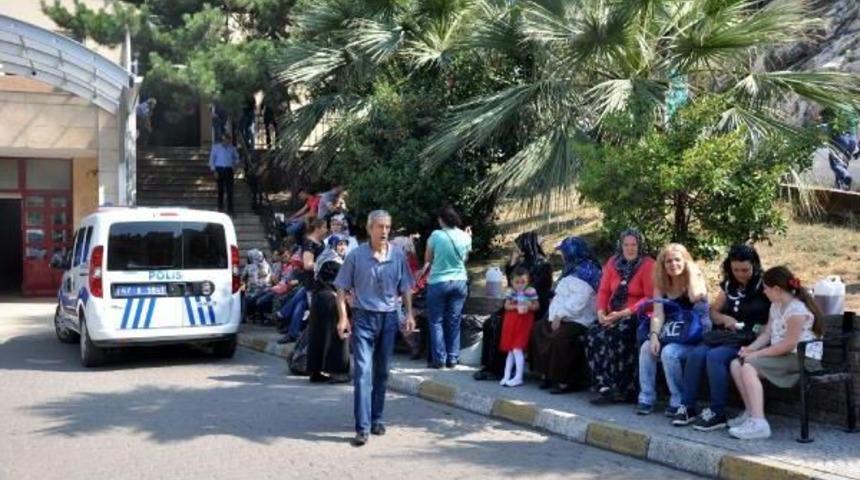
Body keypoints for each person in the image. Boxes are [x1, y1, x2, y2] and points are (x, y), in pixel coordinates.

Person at [334, 210, 415, 447]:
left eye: (388, 227)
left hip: (389, 318)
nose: (384, 231)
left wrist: (409, 314)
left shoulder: (398, 255)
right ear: (369, 229)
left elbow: (406, 287)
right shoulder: (356, 256)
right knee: (363, 372)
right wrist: (343, 318)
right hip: (363, 318)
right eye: (380, 227)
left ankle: (377, 418)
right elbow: (341, 288)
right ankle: (363, 427)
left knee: (382, 372)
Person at [679, 245, 771, 430]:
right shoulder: (730, 285)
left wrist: (758, 335)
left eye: (745, 270)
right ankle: (687, 406)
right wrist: (724, 318)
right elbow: (713, 311)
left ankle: (717, 411)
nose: (740, 274)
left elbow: (774, 318)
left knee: (715, 357)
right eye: (735, 269)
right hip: (727, 335)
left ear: (754, 265)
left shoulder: (765, 286)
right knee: (697, 354)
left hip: (750, 339)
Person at [727, 266, 824, 440]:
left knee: (749, 367)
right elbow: (767, 334)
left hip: (802, 358)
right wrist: (751, 349)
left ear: (777, 289)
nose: (763, 291)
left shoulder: (797, 310)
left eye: (765, 288)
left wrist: (757, 355)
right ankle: (751, 413)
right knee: (736, 364)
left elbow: (788, 344)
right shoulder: (776, 305)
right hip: (785, 355)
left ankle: (759, 424)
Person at [638, 243, 709, 417]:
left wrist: (691, 271)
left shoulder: (695, 278)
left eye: (677, 260)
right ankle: (646, 397)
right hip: (673, 332)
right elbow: (657, 314)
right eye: (668, 261)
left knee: (669, 352)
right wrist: (654, 336)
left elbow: (695, 297)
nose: (673, 264)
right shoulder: (662, 284)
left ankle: (679, 399)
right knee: (647, 347)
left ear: (685, 261)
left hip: (695, 336)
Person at [587, 229, 655, 405]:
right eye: (626, 244)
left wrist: (624, 313)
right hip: (611, 313)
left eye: (634, 245)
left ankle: (623, 388)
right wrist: (601, 312)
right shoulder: (613, 262)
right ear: (621, 245)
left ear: (640, 246)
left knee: (619, 334)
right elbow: (603, 290)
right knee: (594, 332)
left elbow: (650, 298)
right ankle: (603, 386)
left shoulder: (648, 265)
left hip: (635, 313)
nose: (630, 248)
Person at [473, 231, 551, 381]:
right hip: (516, 304)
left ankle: (498, 369)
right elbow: (512, 283)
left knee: (497, 324)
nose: (517, 249)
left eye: (519, 246)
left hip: (531, 308)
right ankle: (490, 366)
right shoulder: (523, 262)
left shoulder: (543, 264)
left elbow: (532, 289)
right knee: (491, 322)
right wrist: (513, 261)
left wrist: (517, 301)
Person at [532, 236, 602, 394]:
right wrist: (553, 315)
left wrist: (560, 315)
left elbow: (580, 300)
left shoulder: (588, 271)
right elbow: (559, 295)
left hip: (579, 318)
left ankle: (566, 380)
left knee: (560, 338)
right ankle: (547, 374)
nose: (562, 255)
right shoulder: (570, 268)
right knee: (538, 329)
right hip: (562, 315)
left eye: (564, 252)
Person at [422, 206, 472, 369]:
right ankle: (453, 358)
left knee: (436, 321)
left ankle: (439, 359)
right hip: (459, 281)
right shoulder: (465, 236)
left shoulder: (436, 235)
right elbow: (464, 259)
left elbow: (428, 258)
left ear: (442, 220)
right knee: (454, 321)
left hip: (438, 281)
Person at [306, 238, 350, 384]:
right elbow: (339, 286)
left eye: (344, 244)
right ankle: (338, 372)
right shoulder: (334, 262)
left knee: (318, 335)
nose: (342, 247)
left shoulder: (324, 259)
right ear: (332, 245)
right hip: (331, 301)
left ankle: (315, 371)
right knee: (337, 336)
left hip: (319, 300)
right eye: (339, 244)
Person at [276, 218, 327, 343]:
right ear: (318, 228)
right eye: (325, 227)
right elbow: (307, 264)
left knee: (300, 304)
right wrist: (325, 264)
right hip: (312, 282)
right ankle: (303, 335)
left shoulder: (321, 243)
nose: (327, 230)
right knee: (311, 308)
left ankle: (286, 321)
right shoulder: (309, 243)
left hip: (317, 281)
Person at [499, 266, 539, 387]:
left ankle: (518, 376)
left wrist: (529, 306)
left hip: (524, 322)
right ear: (512, 281)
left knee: (517, 348)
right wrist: (516, 306)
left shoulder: (531, 291)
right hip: (511, 322)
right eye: (517, 282)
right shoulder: (511, 292)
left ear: (528, 281)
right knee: (511, 350)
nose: (520, 285)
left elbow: (536, 306)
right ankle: (506, 375)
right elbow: (506, 306)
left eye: (523, 282)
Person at [209, 133, 240, 215]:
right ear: (222, 140)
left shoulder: (232, 148)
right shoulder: (216, 148)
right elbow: (212, 160)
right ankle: (220, 208)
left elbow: (237, 157)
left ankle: (230, 210)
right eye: (225, 140)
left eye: (228, 140)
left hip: (229, 170)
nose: (226, 142)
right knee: (220, 190)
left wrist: (235, 164)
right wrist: (214, 170)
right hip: (219, 169)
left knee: (230, 190)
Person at [241, 249, 270, 321]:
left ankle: (243, 317)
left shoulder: (249, 266)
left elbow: (242, 277)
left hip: (254, 291)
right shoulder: (266, 265)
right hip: (262, 289)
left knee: (243, 296)